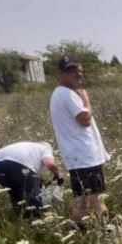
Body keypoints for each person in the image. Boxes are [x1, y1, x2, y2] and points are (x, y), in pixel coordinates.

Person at [49, 55, 110, 228]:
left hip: (75, 157)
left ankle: (77, 231)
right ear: (61, 73)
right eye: (71, 70)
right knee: (97, 199)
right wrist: (86, 100)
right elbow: (85, 120)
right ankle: (109, 235)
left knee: (81, 200)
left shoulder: (58, 93)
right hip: (85, 156)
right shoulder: (68, 95)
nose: (77, 74)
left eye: (79, 70)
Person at [0, 141, 64, 217]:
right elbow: (49, 164)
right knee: (33, 197)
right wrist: (58, 174)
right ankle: (36, 220)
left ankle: (18, 218)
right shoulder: (45, 149)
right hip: (17, 163)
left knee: (17, 195)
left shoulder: (30, 148)